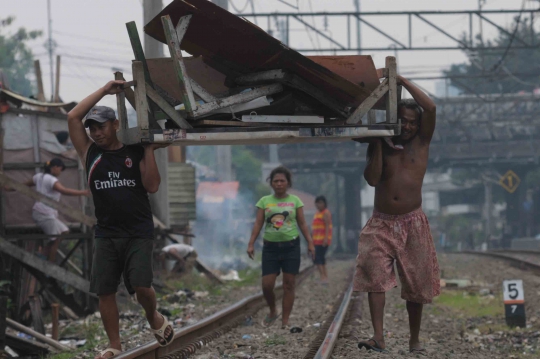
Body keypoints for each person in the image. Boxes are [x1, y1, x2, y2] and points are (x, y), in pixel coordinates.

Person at [67, 80, 172, 359]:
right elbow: (72, 117)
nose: (96, 132)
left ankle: (154, 317)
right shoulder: (90, 153)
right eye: (92, 128)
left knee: (141, 286)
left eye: (101, 126)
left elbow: (152, 186)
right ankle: (115, 344)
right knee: (105, 291)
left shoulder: (133, 152)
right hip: (106, 233)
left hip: (138, 231)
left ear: (115, 125)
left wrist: (149, 150)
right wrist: (104, 90)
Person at [355, 72, 439, 355]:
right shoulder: (381, 144)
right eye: (402, 120)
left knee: (416, 285)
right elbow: (371, 179)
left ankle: (414, 340)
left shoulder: (422, 143)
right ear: (393, 121)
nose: (407, 126)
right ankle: (378, 337)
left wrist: (402, 82)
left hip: (413, 221)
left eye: (412, 122)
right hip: (381, 222)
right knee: (374, 276)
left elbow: (430, 108)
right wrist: (378, 141)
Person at [247, 166, 315, 330]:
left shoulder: (295, 201)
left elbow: (302, 223)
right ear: (271, 183)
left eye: (282, 181)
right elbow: (258, 223)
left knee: (289, 284)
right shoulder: (264, 201)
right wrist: (251, 243)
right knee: (267, 285)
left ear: (288, 183)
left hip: (291, 247)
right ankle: (272, 310)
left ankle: (285, 320)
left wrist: (310, 243)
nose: (278, 184)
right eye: (275, 181)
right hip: (270, 248)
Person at [5, 158, 89, 262]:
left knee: (64, 231)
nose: (60, 172)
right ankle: (51, 265)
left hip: (43, 213)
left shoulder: (38, 177)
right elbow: (64, 191)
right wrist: (83, 193)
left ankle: (43, 253)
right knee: (55, 240)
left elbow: (22, 185)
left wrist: (9, 188)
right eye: (60, 169)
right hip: (44, 213)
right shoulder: (51, 180)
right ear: (54, 168)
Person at [311, 195, 332, 284]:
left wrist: (326, 239)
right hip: (316, 240)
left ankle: (323, 277)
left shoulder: (325, 213)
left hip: (322, 240)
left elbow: (327, 226)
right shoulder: (317, 213)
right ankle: (324, 277)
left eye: (320, 203)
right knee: (320, 258)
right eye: (317, 203)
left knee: (318, 258)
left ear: (324, 204)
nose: (318, 205)